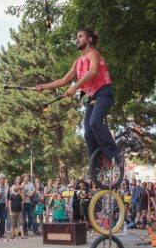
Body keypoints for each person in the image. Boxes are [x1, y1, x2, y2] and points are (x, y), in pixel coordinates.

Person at [34, 28, 122, 166]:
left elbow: (92, 72)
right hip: (92, 97)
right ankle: (98, 163)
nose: (77, 39)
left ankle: (115, 154)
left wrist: (75, 87)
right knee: (88, 133)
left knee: (95, 122)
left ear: (89, 39)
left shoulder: (94, 53)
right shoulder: (77, 62)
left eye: (81, 36)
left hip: (104, 93)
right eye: (77, 37)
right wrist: (42, 86)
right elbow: (63, 81)